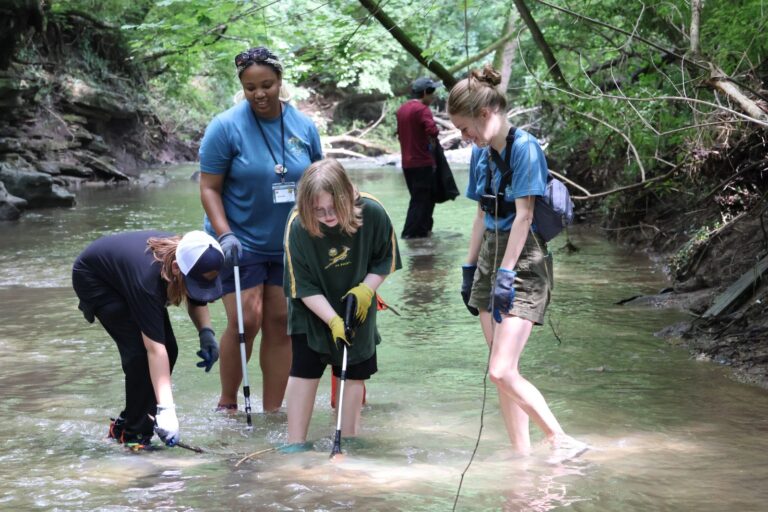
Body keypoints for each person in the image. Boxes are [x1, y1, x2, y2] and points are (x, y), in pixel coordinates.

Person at [447, 65, 586, 462]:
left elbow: (524, 217)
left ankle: (561, 439)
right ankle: (522, 456)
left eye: (464, 127)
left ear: (486, 114)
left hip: (522, 261)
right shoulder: (480, 155)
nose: (463, 136)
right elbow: (480, 216)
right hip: (490, 254)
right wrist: (469, 268)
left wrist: (506, 274)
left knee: (500, 370)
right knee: (500, 371)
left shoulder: (525, 149)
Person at [198, 46, 323, 413]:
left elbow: (318, 179)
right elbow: (209, 188)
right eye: (251, 87)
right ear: (242, 86)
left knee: (281, 322)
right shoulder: (225, 127)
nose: (259, 94)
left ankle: (272, 411)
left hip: (288, 242)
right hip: (239, 238)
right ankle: (228, 404)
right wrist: (225, 235)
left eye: (266, 85)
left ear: (280, 81)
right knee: (245, 320)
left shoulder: (302, 126)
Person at [282, 158, 401, 446]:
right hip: (311, 308)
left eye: (333, 209)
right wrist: (332, 320)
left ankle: (349, 440)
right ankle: (295, 442)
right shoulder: (298, 226)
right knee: (305, 368)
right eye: (318, 211)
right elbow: (303, 285)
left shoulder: (373, 212)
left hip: (357, 302)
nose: (326, 216)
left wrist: (365, 290)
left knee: (355, 368)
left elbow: (385, 258)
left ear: (347, 195)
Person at [72, 230, 225, 450]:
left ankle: (128, 423)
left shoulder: (193, 254)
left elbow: (197, 296)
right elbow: (154, 350)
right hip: (97, 280)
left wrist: (206, 333)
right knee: (139, 354)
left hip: (125, 275)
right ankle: (134, 436)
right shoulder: (148, 280)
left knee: (170, 349)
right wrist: (167, 410)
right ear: (175, 269)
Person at [396, 76, 441, 239]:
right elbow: (432, 131)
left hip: (407, 164)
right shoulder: (422, 109)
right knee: (421, 200)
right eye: (432, 93)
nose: (434, 96)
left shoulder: (402, 109)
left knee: (422, 199)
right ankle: (409, 234)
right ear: (424, 93)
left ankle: (424, 233)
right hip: (422, 162)